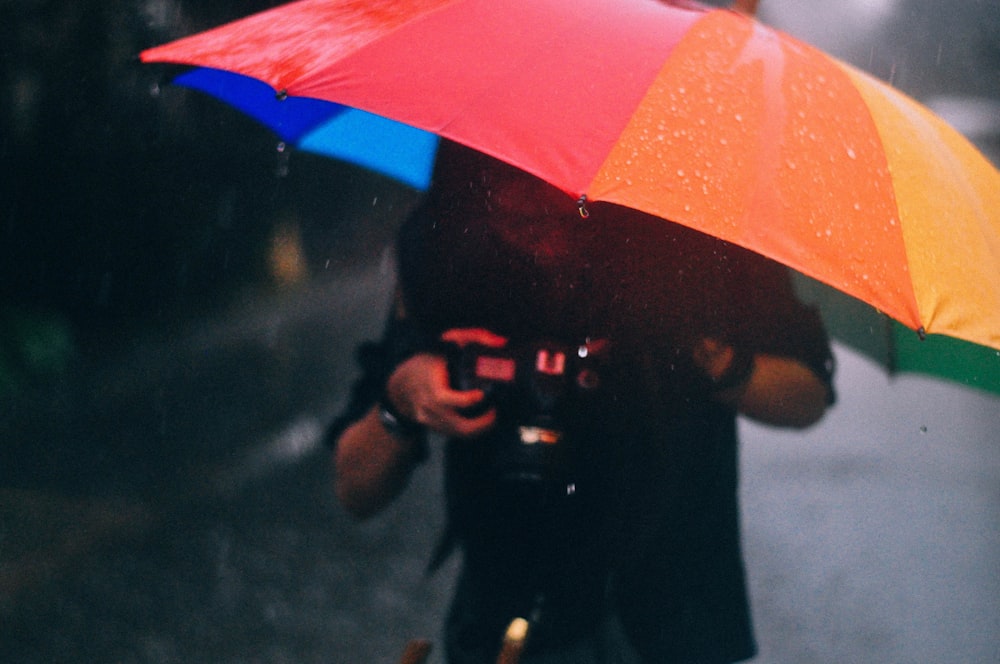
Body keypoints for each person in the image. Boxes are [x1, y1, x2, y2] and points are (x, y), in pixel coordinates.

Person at [329, 140, 835, 663]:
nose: (543, 209)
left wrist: (702, 353)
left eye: (569, 202)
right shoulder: (447, 255)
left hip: (674, 616)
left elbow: (807, 395)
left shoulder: (700, 225)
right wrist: (401, 400)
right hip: (508, 615)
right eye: (515, 197)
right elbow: (355, 489)